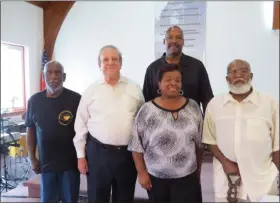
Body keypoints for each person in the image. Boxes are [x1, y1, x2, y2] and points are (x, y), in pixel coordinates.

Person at [73, 45, 145, 203]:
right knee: (97, 199)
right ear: (99, 64)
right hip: (98, 154)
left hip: (127, 156)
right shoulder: (91, 90)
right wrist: (80, 156)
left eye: (114, 59)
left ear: (121, 63)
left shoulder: (134, 88)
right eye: (105, 59)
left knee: (124, 198)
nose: (110, 62)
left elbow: (142, 122)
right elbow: (81, 124)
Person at [202, 59, 279, 202]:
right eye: (233, 72)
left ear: (251, 76)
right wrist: (225, 162)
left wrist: (275, 174)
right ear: (227, 78)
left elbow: (277, 143)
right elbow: (209, 139)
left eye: (244, 71)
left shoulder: (270, 103)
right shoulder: (215, 105)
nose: (238, 75)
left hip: (262, 181)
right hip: (226, 179)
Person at [128, 63, 203, 203]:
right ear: (159, 83)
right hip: (156, 179)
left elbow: (199, 145)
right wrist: (142, 173)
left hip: (187, 176)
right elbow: (136, 146)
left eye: (177, 80)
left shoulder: (193, 107)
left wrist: (198, 172)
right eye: (168, 79)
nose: (173, 83)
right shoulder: (147, 110)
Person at [25, 61, 81, 202]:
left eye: (57, 72)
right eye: (49, 72)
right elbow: (30, 131)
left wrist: (83, 158)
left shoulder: (76, 99)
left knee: (71, 200)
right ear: (43, 76)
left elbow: (83, 132)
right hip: (46, 165)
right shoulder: (34, 101)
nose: (53, 76)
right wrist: (32, 158)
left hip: (70, 165)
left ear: (64, 76)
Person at [143, 25, 213, 114]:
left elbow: (207, 100)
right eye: (170, 37)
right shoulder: (152, 69)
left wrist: (208, 126)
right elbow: (146, 102)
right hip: (159, 126)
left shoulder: (197, 66)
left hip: (192, 124)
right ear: (164, 41)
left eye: (178, 37)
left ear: (183, 42)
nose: (174, 41)